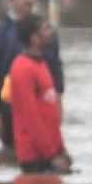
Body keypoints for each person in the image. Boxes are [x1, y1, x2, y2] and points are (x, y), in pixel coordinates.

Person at [0, 0, 65, 152]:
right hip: (9, 108)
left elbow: (56, 73)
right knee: (15, 151)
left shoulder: (47, 33)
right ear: (11, 0)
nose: (28, 0)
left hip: (43, 105)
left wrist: (59, 106)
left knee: (46, 151)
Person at [7, 15, 71, 175]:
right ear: (34, 38)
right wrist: (51, 156)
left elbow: (51, 116)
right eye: (45, 28)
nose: (50, 32)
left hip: (49, 154)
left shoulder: (41, 63)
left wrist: (61, 149)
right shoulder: (22, 68)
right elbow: (31, 118)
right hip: (34, 156)